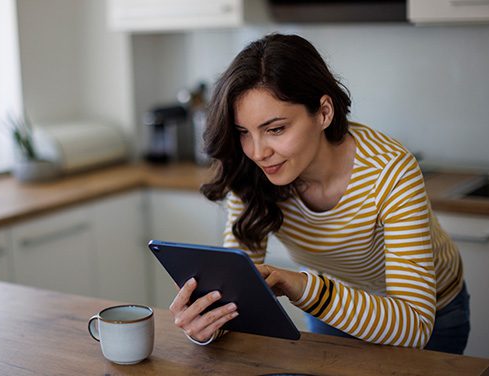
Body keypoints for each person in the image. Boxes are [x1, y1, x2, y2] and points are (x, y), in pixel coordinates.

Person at [169, 33, 469, 354]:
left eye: (276, 129)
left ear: (324, 112)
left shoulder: (391, 171)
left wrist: (301, 285)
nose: (257, 152)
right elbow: (237, 292)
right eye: (244, 132)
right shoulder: (251, 172)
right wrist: (206, 327)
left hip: (432, 313)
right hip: (336, 308)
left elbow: (413, 328)